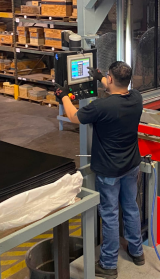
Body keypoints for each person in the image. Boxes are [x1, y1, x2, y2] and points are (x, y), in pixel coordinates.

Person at [55, 61, 144, 279]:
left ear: (111, 79)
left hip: (109, 172)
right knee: (131, 208)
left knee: (110, 215)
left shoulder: (101, 106)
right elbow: (116, 86)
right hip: (131, 165)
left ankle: (108, 264)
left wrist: (64, 95)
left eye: (106, 77)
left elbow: (74, 117)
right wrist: (97, 77)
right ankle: (137, 252)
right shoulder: (137, 98)